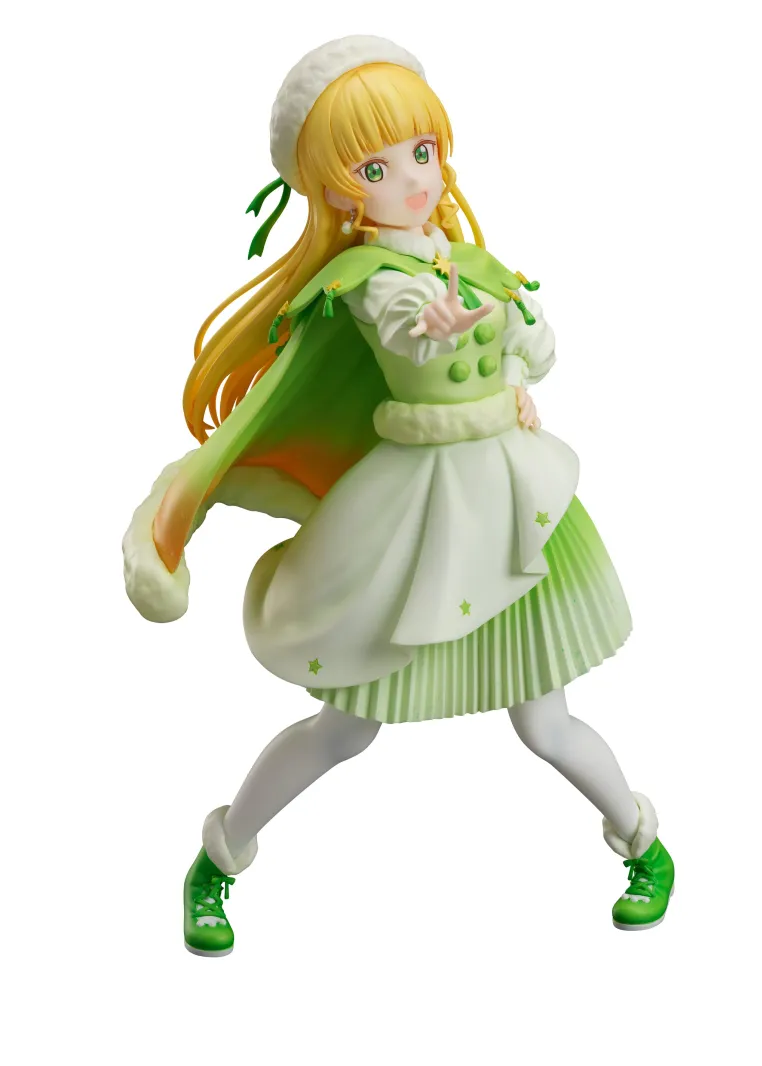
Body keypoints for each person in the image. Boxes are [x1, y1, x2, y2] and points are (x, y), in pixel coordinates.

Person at [123, 34, 674, 956]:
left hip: (514, 510)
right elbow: (411, 334)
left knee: (546, 723)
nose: (415, 179)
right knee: (345, 727)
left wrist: (513, 356)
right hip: (417, 517)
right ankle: (219, 857)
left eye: (422, 152)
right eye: (378, 168)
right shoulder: (365, 281)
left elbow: (536, 346)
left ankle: (645, 845)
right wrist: (455, 327)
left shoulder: (469, 260)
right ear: (341, 191)